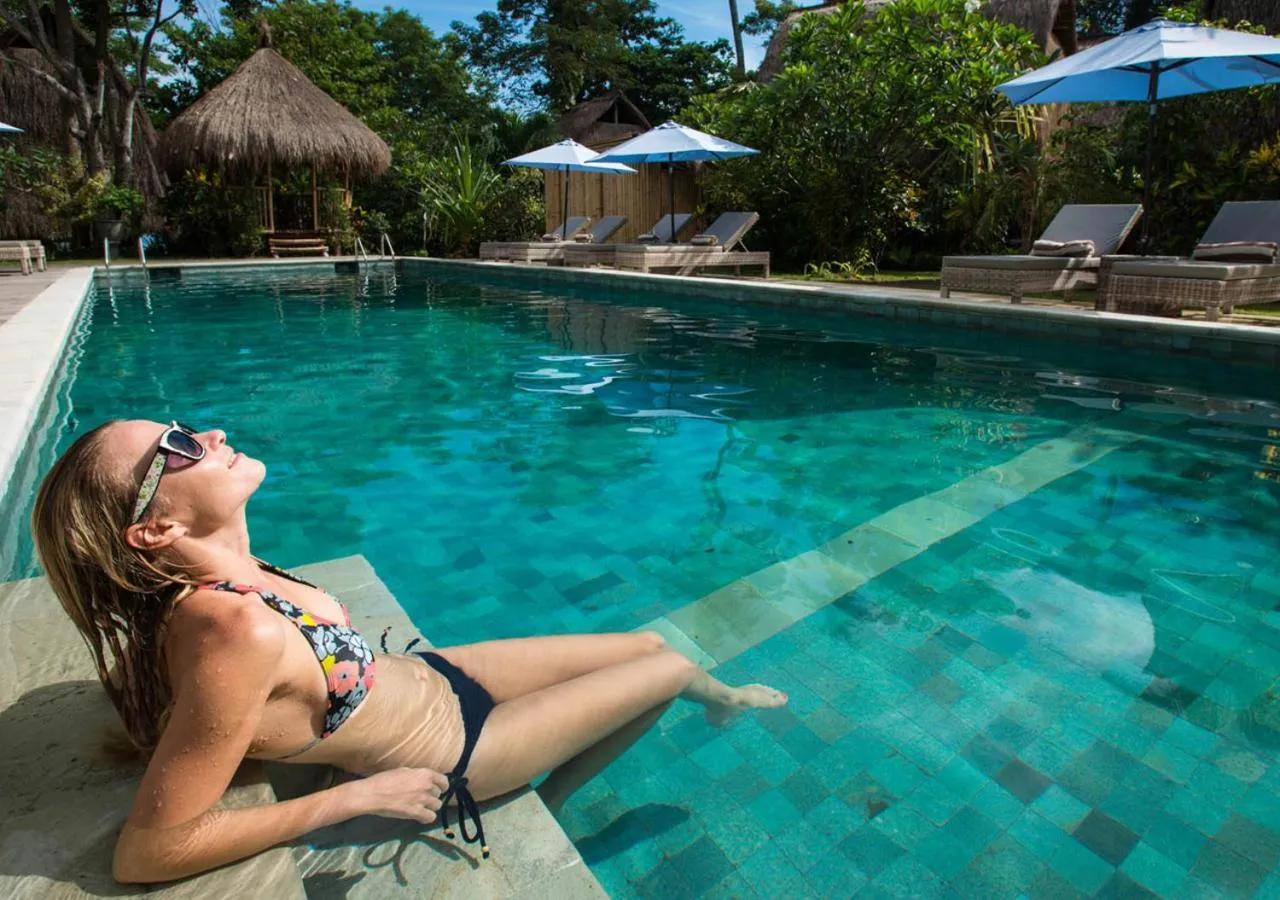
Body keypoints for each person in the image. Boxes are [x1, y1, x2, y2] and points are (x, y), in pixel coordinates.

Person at [32, 420, 787, 884]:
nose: (212, 436)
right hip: (460, 748)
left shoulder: (230, 572)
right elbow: (149, 851)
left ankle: (637, 735)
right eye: (178, 446)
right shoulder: (234, 631)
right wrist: (352, 799)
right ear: (154, 531)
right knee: (673, 670)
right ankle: (568, 785)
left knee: (649, 642)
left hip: (431, 678)